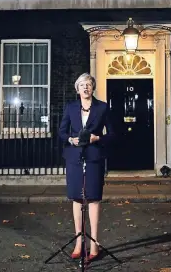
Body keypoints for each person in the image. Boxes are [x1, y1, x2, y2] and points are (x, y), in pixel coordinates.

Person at [59, 72, 114, 261]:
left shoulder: (103, 108)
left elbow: (113, 134)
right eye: (82, 84)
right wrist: (70, 139)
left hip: (94, 157)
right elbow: (61, 132)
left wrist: (97, 138)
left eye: (88, 84)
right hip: (74, 158)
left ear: (93, 87)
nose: (85, 87)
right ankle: (78, 242)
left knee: (93, 199)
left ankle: (94, 245)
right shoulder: (70, 107)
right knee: (77, 198)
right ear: (77, 89)